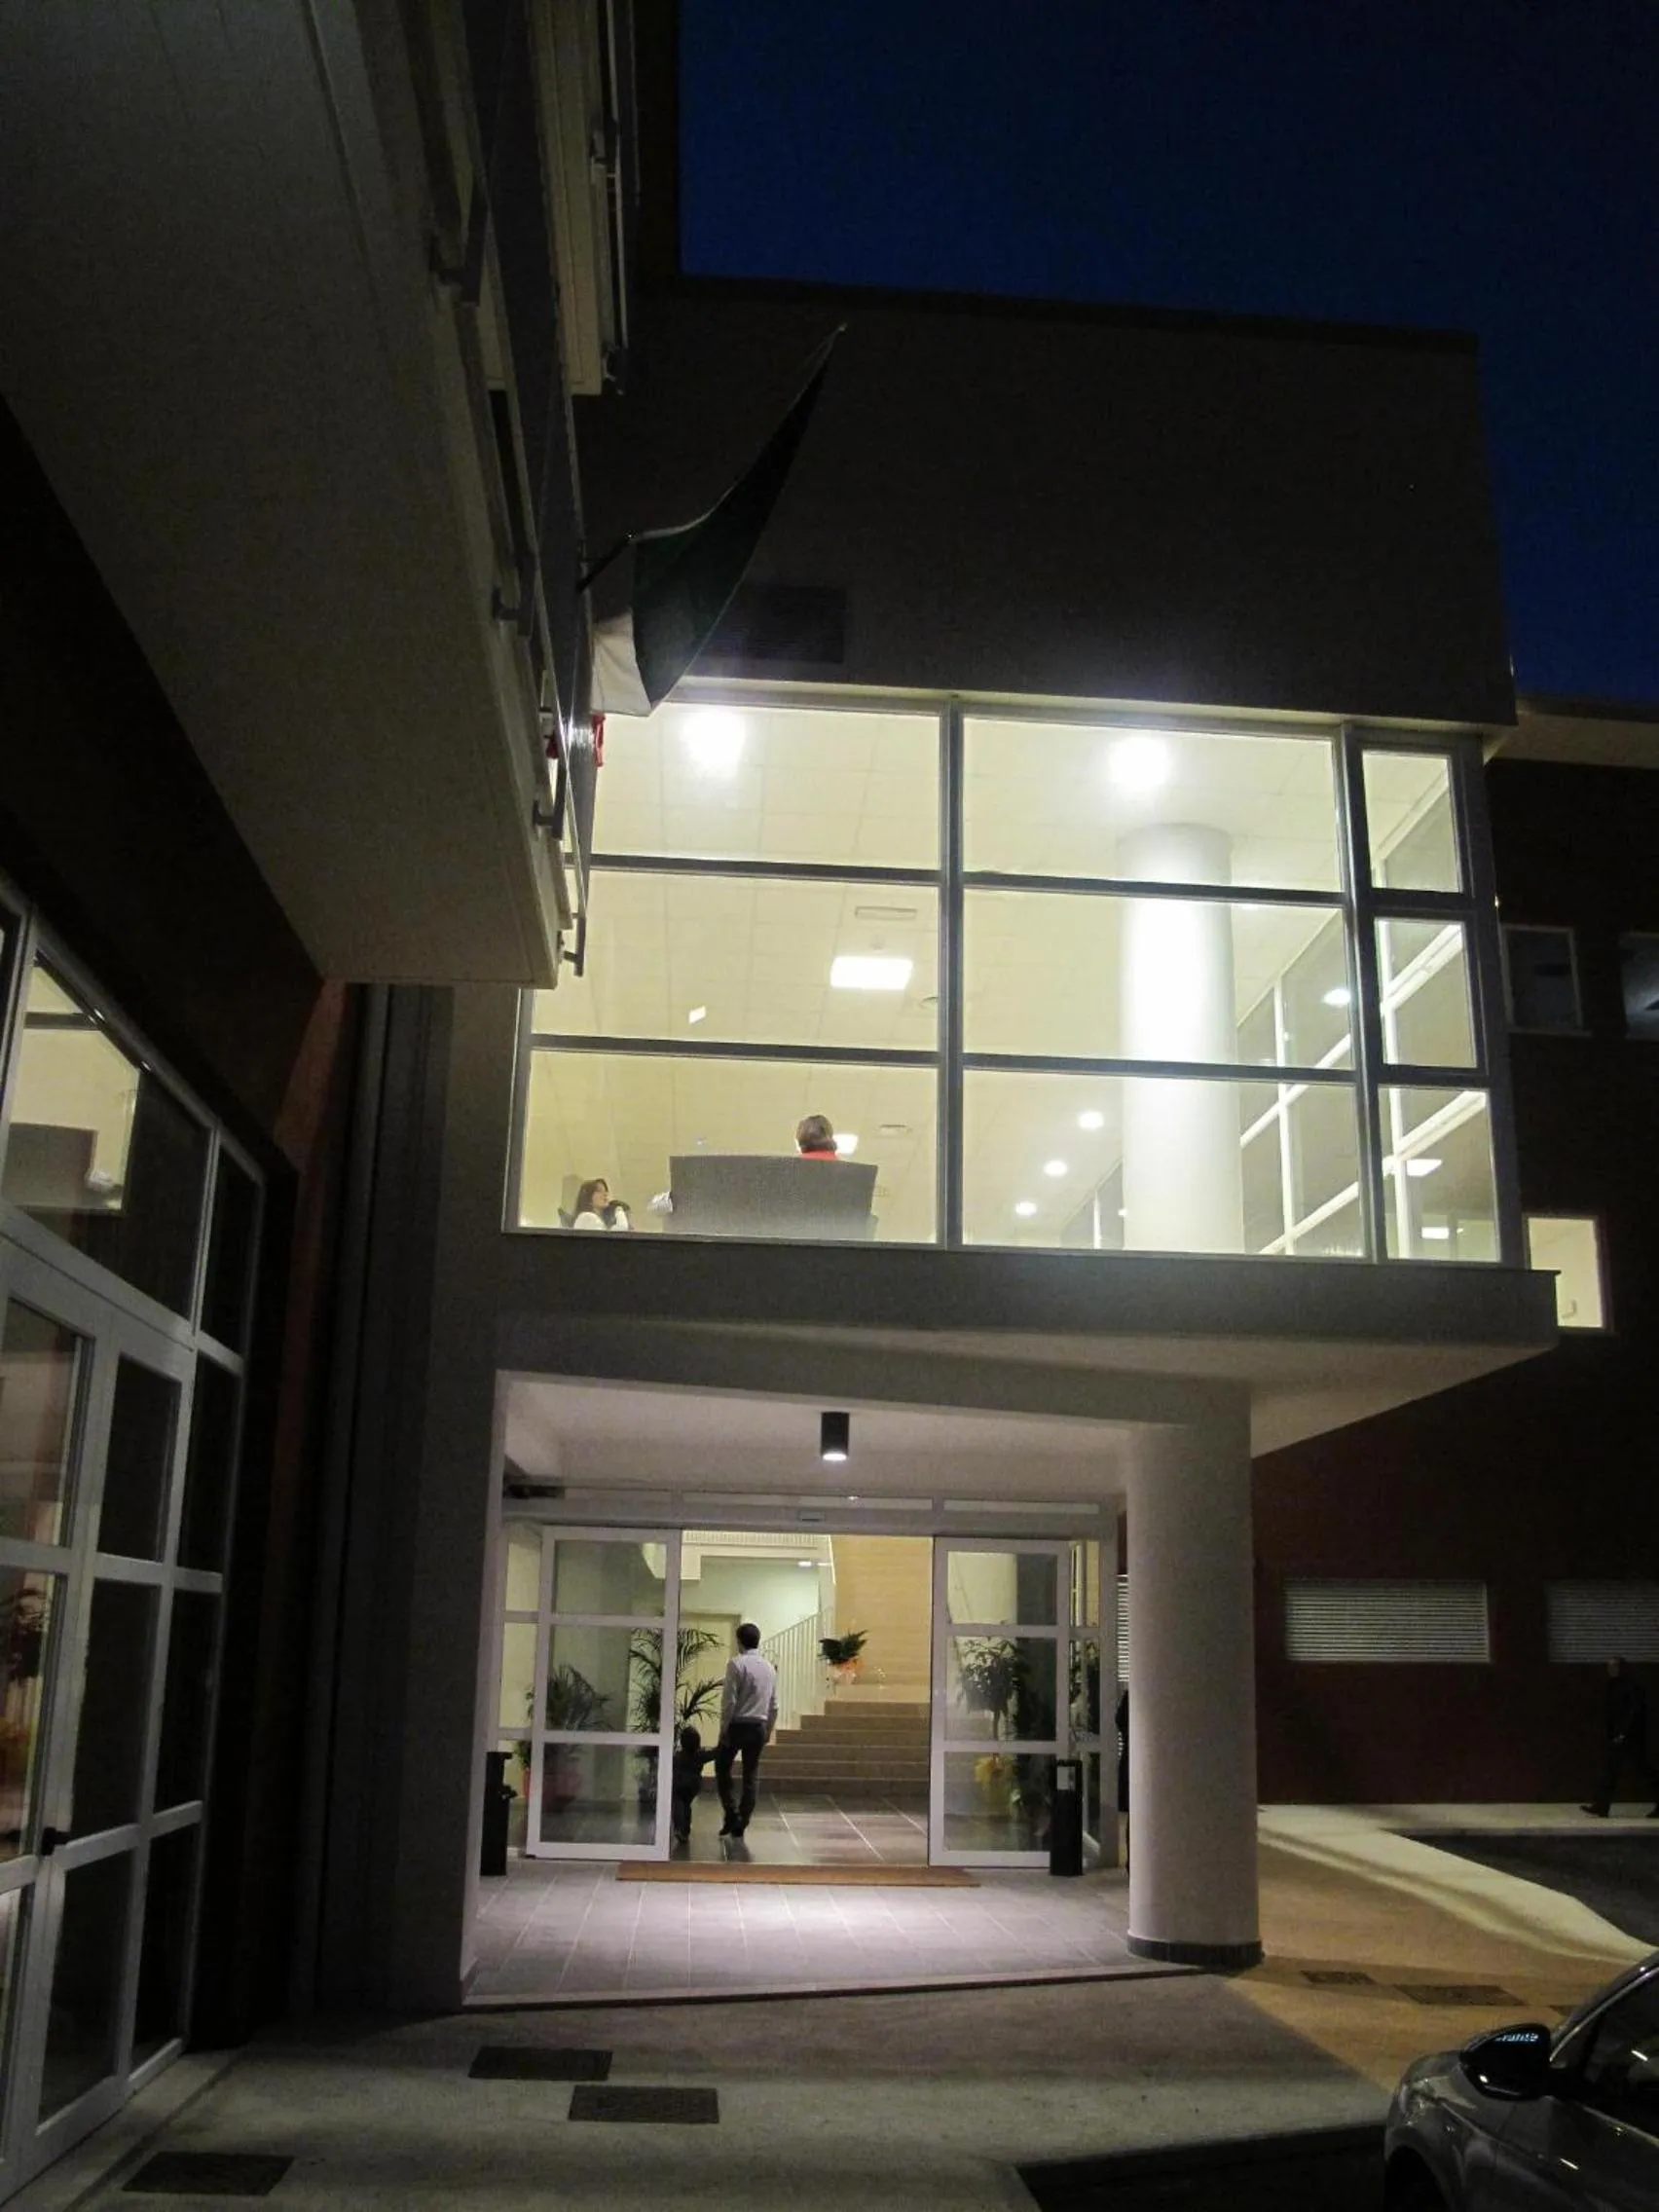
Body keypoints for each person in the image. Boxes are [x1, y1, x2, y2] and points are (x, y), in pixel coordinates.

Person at [715, 1622, 778, 1839]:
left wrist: (723, 1729)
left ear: (739, 1641)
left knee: (722, 1769)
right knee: (751, 1775)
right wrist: (769, 1729)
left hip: (737, 1725)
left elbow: (729, 1701)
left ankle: (731, 1814)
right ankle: (743, 1819)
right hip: (759, 1725)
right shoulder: (769, 1667)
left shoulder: (736, 1664)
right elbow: (774, 1704)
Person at [1582, 1656, 1659, 1818]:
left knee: (1643, 1771)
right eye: (1609, 1667)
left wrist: (1624, 1733)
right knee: (1610, 1771)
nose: (1610, 1670)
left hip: (1630, 1737)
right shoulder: (1614, 1685)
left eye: (1614, 1667)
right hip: (1619, 1736)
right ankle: (1602, 1806)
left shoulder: (1631, 1686)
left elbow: (1633, 1712)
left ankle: (1602, 1805)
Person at [670, 1723, 718, 1848]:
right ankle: (685, 1831)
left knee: (678, 1805)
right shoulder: (699, 1755)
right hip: (693, 1786)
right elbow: (713, 1754)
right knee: (686, 1805)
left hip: (679, 1784)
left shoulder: (678, 1756)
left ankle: (679, 1828)